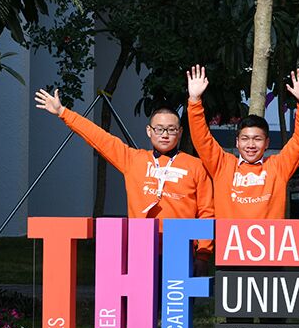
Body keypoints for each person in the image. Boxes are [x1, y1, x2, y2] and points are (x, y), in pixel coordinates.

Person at [33, 88, 214, 252]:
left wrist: (203, 253)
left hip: (181, 251)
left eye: (171, 129)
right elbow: (100, 138)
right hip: (141, 250)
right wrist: (63, 112)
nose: (165, 134)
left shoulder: (196, 166)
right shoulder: (133, 159)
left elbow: (206, 212)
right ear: (149, 131)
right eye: (159, 129)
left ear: (180, 132)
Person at [186, 65, 299, 219]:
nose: (251, 145)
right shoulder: (223, 165)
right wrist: (194, 101)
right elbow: (202, 139)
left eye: (257, 139)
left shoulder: (278, 167)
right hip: (228, 236)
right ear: (237, 142)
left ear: (267, 143)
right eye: (245, 139)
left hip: (270, 236)